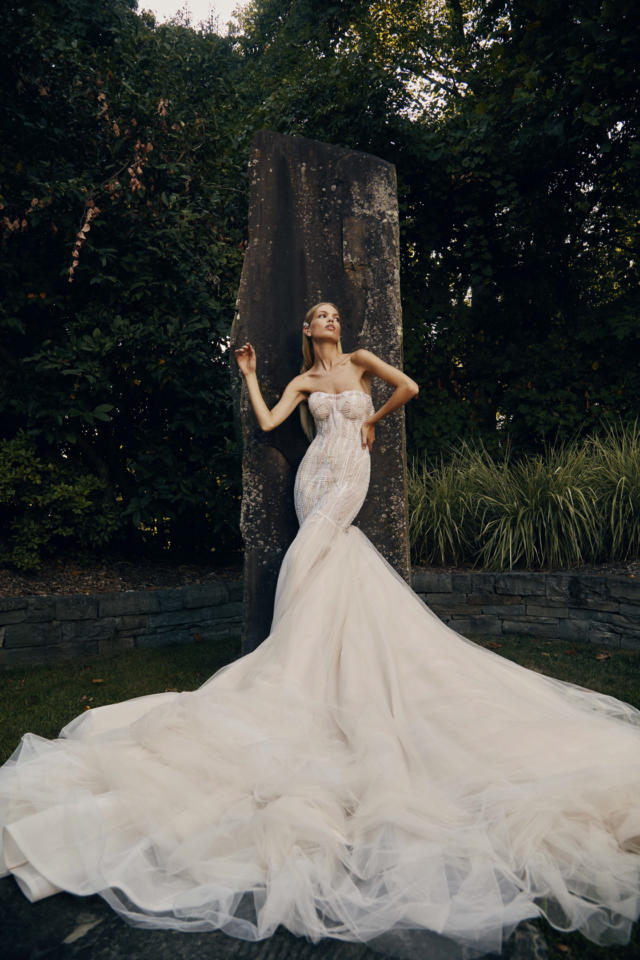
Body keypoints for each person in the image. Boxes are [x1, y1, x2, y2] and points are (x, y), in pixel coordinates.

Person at [1, 301, 639, 960]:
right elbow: (273, 421)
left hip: (350, 476)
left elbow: (410, 388)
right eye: (317, 314)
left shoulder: (362, 365)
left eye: (333, 312)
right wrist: (249, 373)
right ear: (308, 331)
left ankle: (301, 670)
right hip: (313, 478)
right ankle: (301, 673)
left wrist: (372, 428)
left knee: (320, 552)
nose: (327, 317)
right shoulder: (304, 384)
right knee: (311, 561)